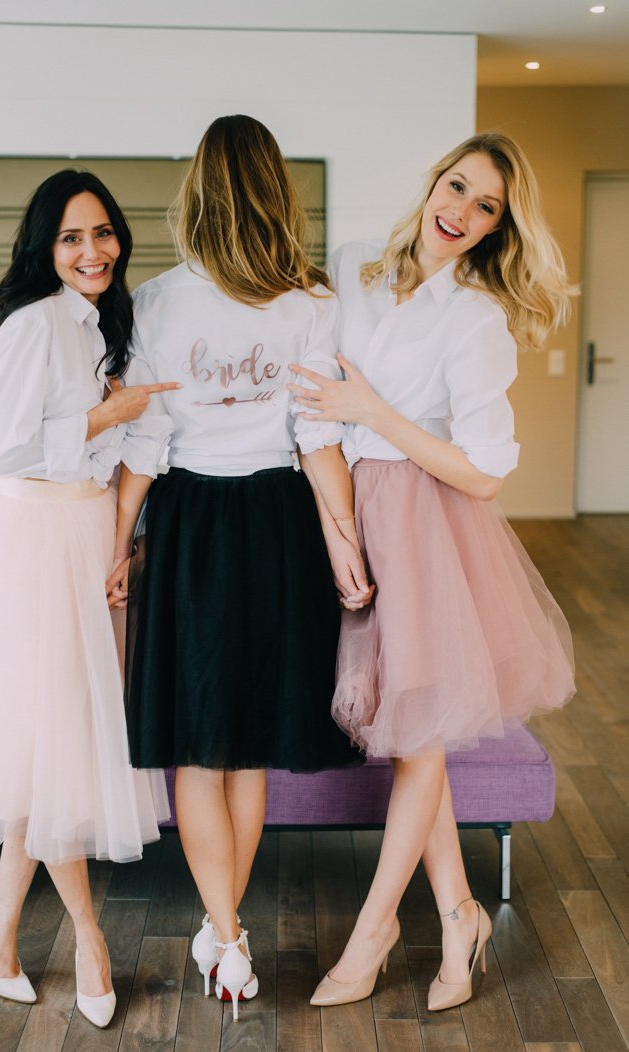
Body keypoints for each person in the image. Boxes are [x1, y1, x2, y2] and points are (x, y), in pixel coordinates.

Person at [286, 132, 576, 1011]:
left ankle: (373, 933)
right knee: (415, 734)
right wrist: (338, 526)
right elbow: (312, 405)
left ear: (496, 228)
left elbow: (485, 473)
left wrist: (375, 410)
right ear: (433, 184)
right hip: (346, 509)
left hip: (420, 523)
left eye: (486, 207)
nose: (462, 212)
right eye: (457, 187)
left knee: (418, 739)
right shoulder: (352, 269)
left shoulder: (475, 319)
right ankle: (459, 914)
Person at [105, 115, 371, 1021]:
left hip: (190, 525)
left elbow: (144, 443)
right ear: (275, 193)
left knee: (200, 744)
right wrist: (344, 540)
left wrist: (118, 543)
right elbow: (318, 437)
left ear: (198, 193)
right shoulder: (311, 301)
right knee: (247, 742)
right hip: (276, 524)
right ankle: (225, 934)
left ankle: (227, 936)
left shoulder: (156, 301)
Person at [0, 170, 179, 1028]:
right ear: (46, 247)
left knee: (52, 745)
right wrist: (112, 414)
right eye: (72, 237)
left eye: (103, 233)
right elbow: (2, 449)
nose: (92, 250)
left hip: (84, 536)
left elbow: (115, 453)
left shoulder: (104, 325)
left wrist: (122, 541)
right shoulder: (31, 324)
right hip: (28, 544)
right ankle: (88, 936)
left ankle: (0, 925)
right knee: (54, 742)